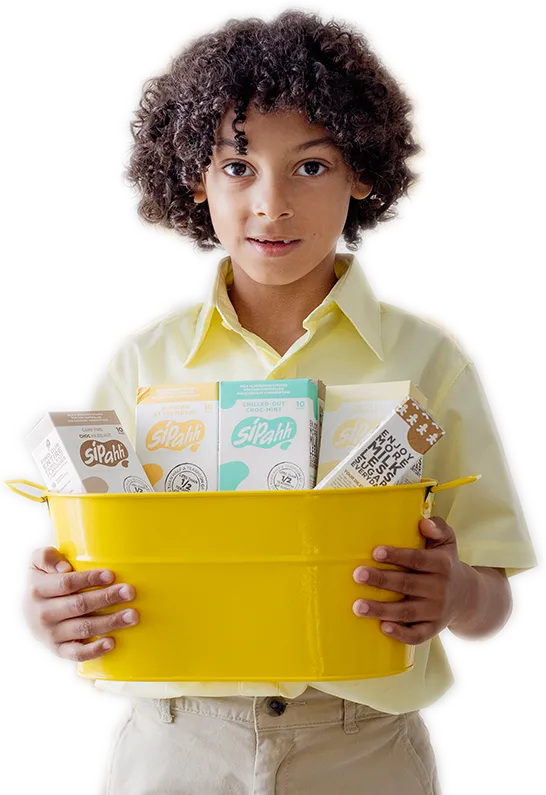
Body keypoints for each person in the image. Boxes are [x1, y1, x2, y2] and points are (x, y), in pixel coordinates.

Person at [19, 3, 539, 794]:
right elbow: (67, 573)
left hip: (364, 750)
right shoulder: (138, 362)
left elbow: (491, 605)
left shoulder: (429, 361)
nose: (271, 203)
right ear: (194, 177)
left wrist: (457, 590)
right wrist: (47, 613)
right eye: (237, 166)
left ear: (361, 171)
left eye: (310, 165)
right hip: (175, 749)